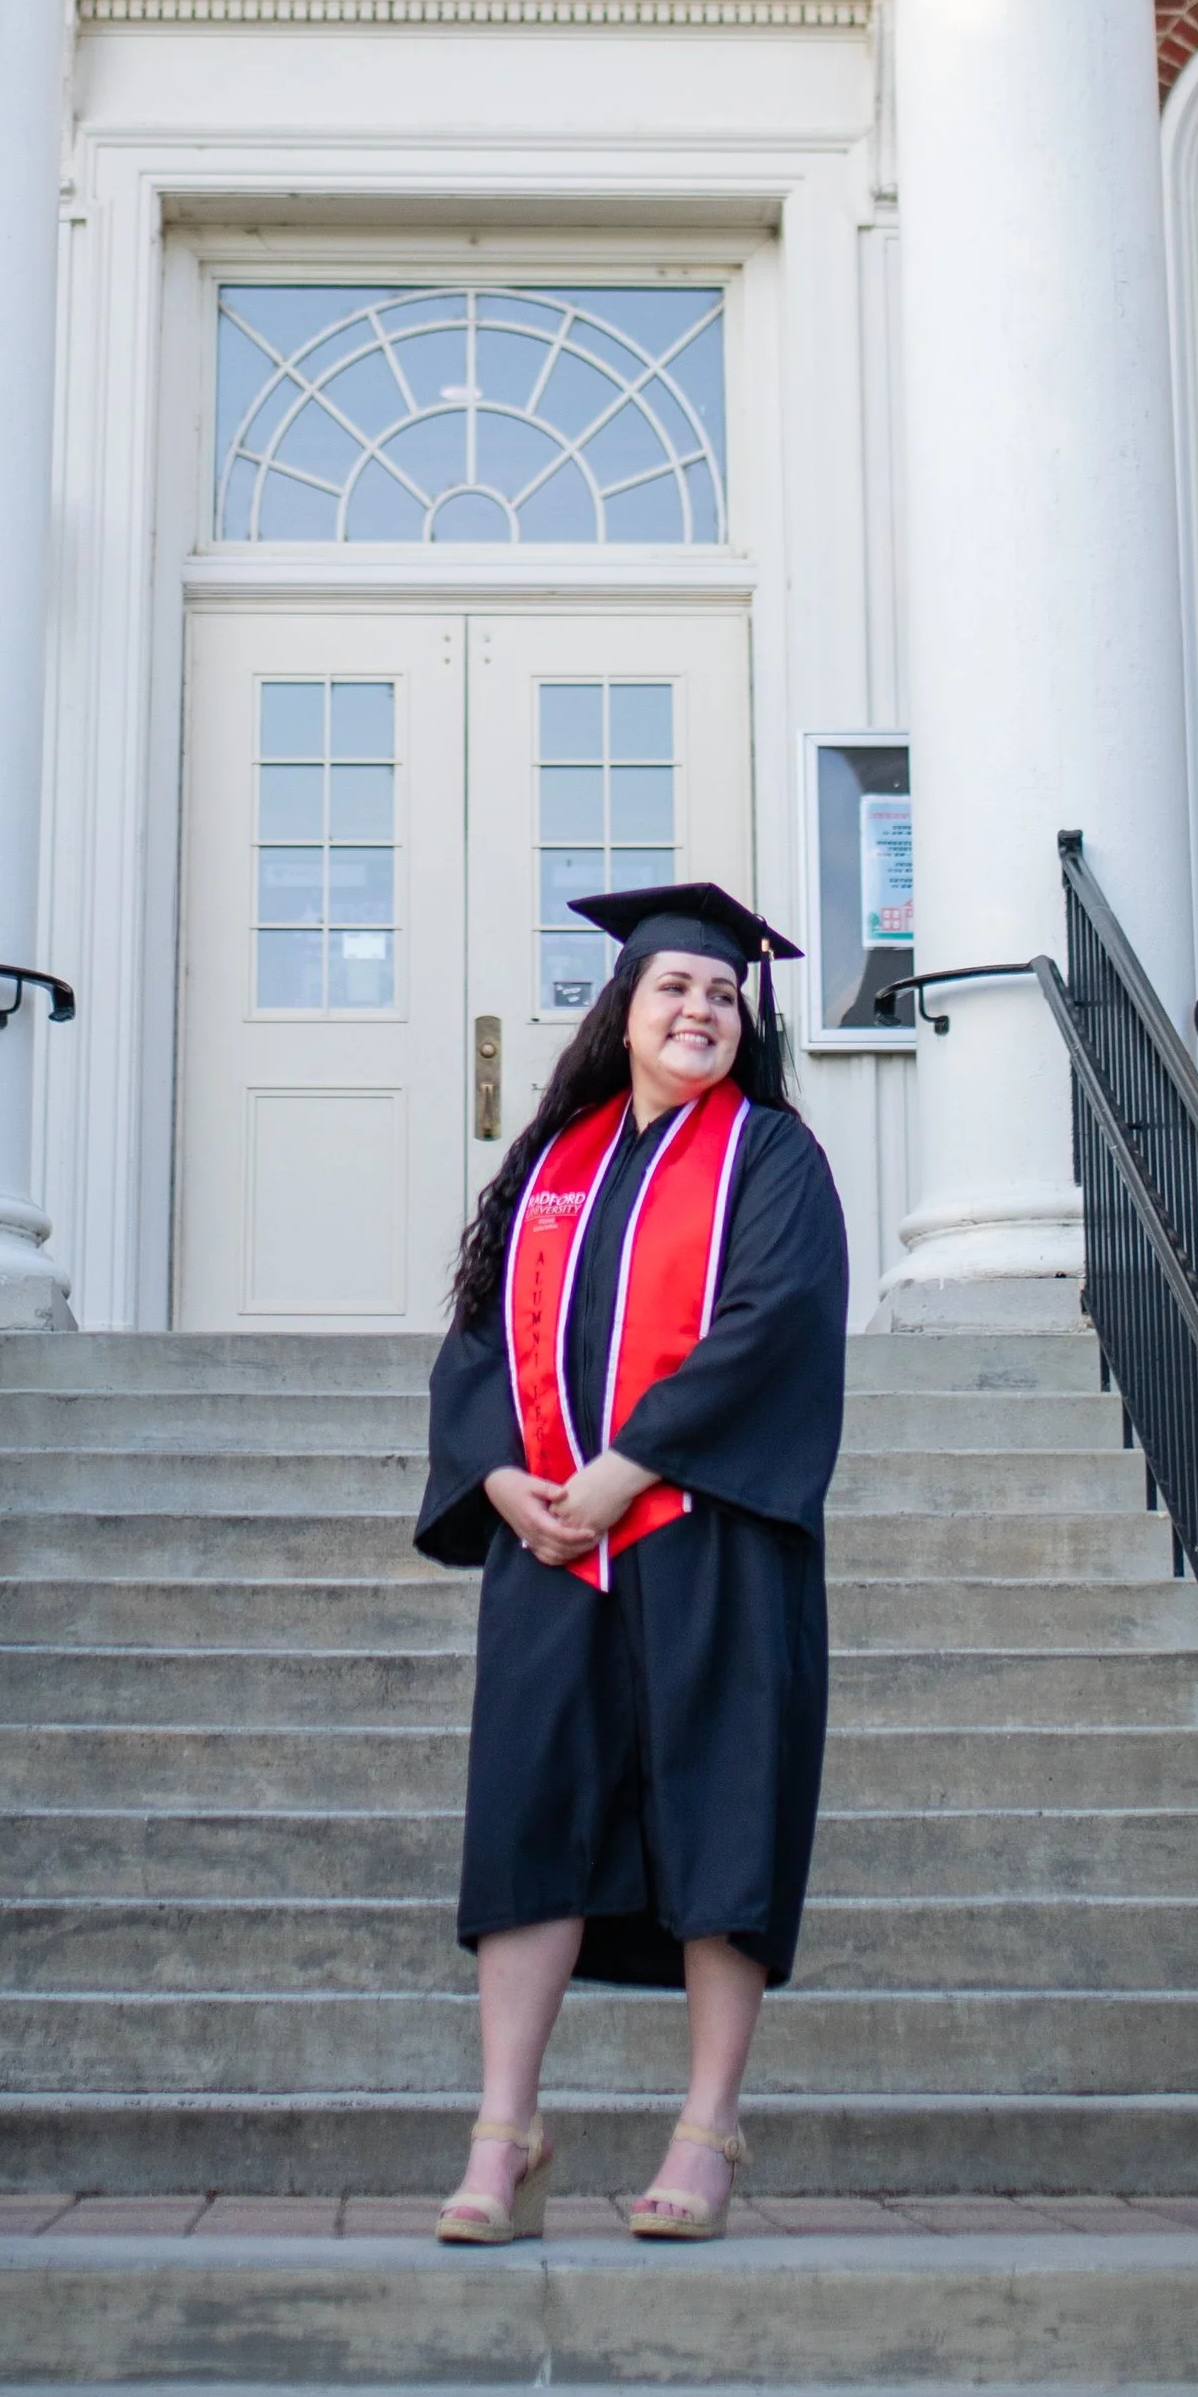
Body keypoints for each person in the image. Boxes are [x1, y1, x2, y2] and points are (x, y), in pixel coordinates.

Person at [415, 882, 848, 2245]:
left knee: (726, 1817)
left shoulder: (771, 1158)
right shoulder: (551, 1168)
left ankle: (707, 2127)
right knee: (531, 1818)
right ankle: (506, 2134)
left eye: (722, 994)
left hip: (710, 1534)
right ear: (625, 1008)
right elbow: (477, 1338)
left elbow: (773, 1326)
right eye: (676, 989)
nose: (701, 1010)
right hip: (553, 1550)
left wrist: (625, 1469)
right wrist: (501, 1475)